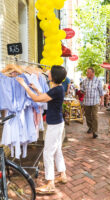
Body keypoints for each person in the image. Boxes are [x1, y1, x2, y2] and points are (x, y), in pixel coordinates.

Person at [16, 65, 67, 194]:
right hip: (58, 123)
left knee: (48, 152)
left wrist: (25, 85)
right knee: (57, 150)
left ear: (54, 76)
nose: (48, 72)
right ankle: (62, 174)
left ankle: (50, 183)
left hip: (55, 125)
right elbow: (46, 97)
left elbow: (37, 99)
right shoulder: (58, 89)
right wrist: (37, 89)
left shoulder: (56, 90)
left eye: (50, 71)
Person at [81, 67, 104, 139]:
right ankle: (90, 127)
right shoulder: (84, 81)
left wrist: (102, 101)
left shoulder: (98, 81)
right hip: (87, 101)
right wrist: (82, 91)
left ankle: (95, 131)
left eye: (88, 72)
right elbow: (81, 89)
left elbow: (101, 92)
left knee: (94, 116)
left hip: (95, 101)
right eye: (87, 72)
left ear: (92, 73)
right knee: (87, 116)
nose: (87, 73)